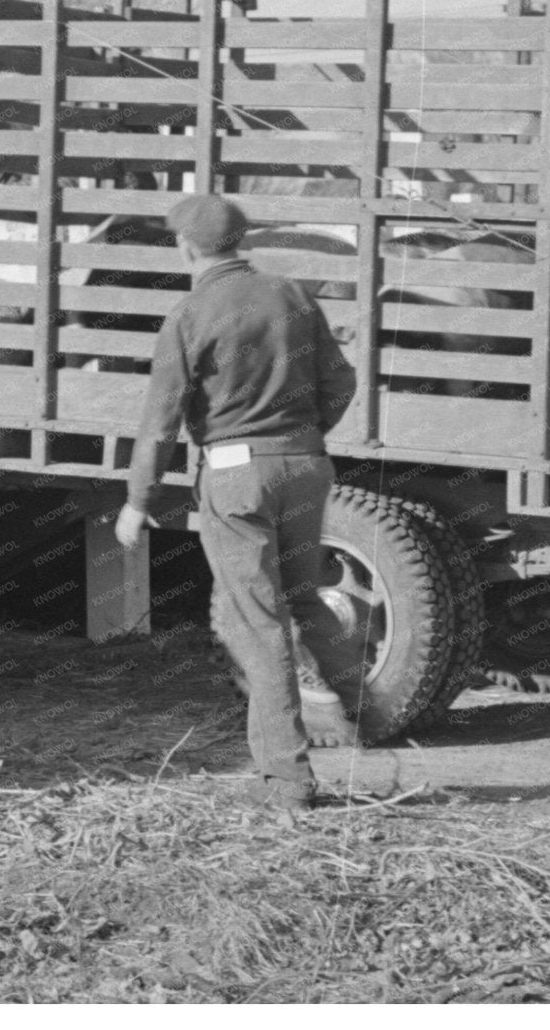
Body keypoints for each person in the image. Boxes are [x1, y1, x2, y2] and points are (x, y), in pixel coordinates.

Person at [115, 195, 359, 811]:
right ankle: (365, 715)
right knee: (306, 599)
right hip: (307, 465)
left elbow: (160, 421)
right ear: (240, 238)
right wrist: (302, 438)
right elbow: (342, 380)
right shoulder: (293, 294)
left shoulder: (189, 314)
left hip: (234, 476)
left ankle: (287, 782)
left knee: (260, 624)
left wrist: (137, 500)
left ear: (187, 247)